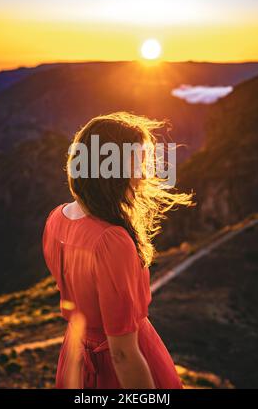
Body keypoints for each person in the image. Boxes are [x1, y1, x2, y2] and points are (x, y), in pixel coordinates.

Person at [42, 112, 192, 389]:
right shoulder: (112, 240)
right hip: (120, 366)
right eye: (140, 163)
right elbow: (122, 352)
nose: (145, 174)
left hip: (74, 358)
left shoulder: (56, 219)